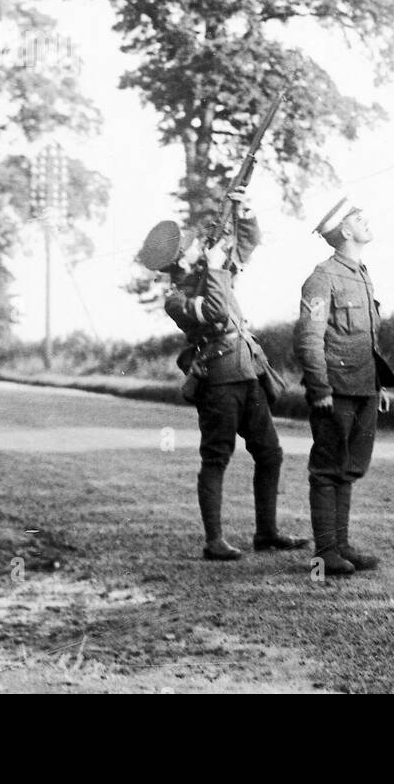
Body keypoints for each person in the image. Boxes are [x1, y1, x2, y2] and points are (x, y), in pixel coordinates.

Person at [139, 188, 307, 562]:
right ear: (181, 259)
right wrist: (214, 268)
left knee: (270, 453)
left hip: (246, 371)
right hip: (218, 380)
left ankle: (267, 533)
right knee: (216, 458)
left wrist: (244, 210)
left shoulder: (211, 272)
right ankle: (214, 540)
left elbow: (248, 244)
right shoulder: (179, 297)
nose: (199, 243)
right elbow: (215, 313)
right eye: (192, 244)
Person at [293, 198, 394, 577]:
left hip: (363, 387)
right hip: (335, 390)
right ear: (344, 231)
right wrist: (319, 388)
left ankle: (340, 545)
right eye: (358, 218)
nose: (366, 221)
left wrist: (378, 384)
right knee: (326, 469)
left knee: (350, 467)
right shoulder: (322, 277)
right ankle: (324, 552)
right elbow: (309, 338)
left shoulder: (362, 273)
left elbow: (367, 338)